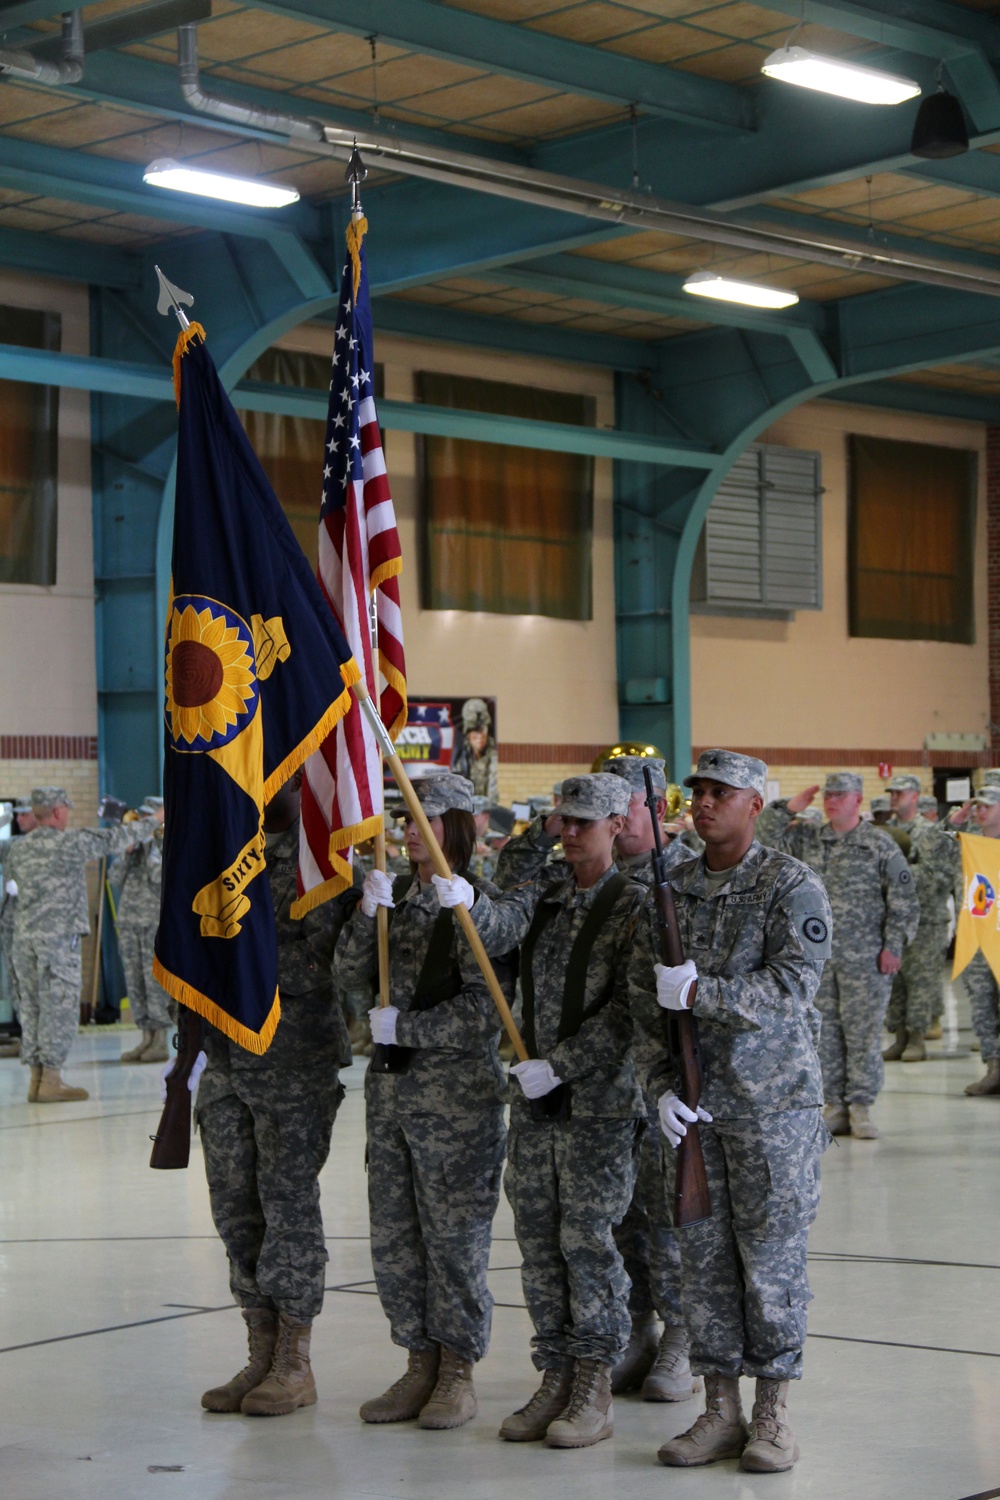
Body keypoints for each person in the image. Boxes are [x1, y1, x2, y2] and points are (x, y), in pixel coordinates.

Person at [628, 749, 833, 1473]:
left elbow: (792, 988)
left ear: (756, 804)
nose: (705, 802)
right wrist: (658, 1087)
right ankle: (720, 1411)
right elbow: (642, 1007)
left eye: (723, 792)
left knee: (771, 1265)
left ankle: (772, 1415)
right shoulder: (670, 889)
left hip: (774, 1109)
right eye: (700, 791)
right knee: (701, 1266)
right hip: (696, 1111)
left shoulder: (790, 885)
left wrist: (702, 994)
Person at [435, 772, 646, 1450]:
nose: (572, 831)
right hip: (532, 1102)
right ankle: (553, 1371)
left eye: (586, 821)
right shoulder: (546, 889)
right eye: (565, 819)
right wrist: (466, 899)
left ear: (618, 824)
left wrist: (564, 1062)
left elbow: (631, 1011)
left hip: (598, 1104)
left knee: (588, 1243)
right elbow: (499, 929)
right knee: (538, 1245)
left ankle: (594, 1383)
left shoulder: (636, 904)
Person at [335, 772, 510, 1432]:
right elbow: (347, 976)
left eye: (426, 819)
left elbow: (485, 1010)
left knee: (454, 1241)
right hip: (391, 1101)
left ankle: (457, 1369)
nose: (410, 829)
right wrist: (363, 915)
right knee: (396, 1238)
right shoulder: (397, 897)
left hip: (456, 1106)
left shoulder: (479, 905)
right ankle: (417, 1361)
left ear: (462, 826)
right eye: (405, 818)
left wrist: (406, 1029)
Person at [198, 771, 353, 1417]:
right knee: (235, 1207)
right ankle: (259, 1348)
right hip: (225, 1053)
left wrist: (249, 965)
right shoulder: (228, 847)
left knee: (287, 1206)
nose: (264, 784)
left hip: (293, 1055)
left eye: (278, 771)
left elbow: (333, 964)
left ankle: (295, 1358)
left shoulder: (322, 858)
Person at [757, 772, 917, 1139]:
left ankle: (860, 1105)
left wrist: (894, 945)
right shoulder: (808, 838)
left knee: (862, 1034)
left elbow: (904, 901)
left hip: (867, 958)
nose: (832, 800)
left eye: (841, 795)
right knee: (824, 1033)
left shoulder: (880, 845)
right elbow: (763, 838)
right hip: (816, 959)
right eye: (829, 794)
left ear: (858, 800)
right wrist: (788, 808)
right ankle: (835, 1106)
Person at [6, 787, 160, 1103]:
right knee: (58, 1008)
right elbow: (116, 838)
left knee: (33, 1008)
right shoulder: (70, 843)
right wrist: (155, 820)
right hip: (58, 942)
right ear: (59, 812)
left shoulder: (17, 849)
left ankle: (36, 1080)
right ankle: (51, 1079)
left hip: (24, 941)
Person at [883, 775, 959, 1064]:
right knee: (895, 983)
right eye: (891, 792)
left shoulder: (929, 832)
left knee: (920, 982)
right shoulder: (886, 832)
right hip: (893, 921)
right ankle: (899, 1037)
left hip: (925, 922)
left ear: (914, 796)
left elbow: (937, 877)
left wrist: (897, 873)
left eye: (899, 793)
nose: (893, 797)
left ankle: (917, 1039)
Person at [112, 795, 173, 1064]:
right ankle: (145, 1036)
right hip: (128, 922)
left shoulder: (167, 845)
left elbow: (160, 879)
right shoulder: (133, 846)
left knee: (153, 981)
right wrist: (127, 852)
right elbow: (114, 879)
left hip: (153, 922)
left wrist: (151, 848)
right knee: (134, 981)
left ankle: (159, 1039)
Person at [957, 785, 1000, 1096]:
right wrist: (955, 822)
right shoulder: (968, 841)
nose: (980, 811)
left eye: (987, 805)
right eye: (977, 806)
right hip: (978, 935)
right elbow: (933, 854)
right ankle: (994, 1067)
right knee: (983, 1005)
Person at [0, 800, 35, 1058]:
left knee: (33, 985)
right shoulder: (12, 845)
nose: (19, 820)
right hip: (10, 924)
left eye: (24, 815)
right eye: (17, 816)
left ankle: (36, 1042)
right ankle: (26, 1037)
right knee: (16, 984)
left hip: (35, 928)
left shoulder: (51, 845)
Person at [450, 698, 499, 802]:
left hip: (487, 810)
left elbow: (494, 792)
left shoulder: (493, 755)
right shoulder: (461, 754)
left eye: (483, 732)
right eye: (475, 733)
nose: (480, 737)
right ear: (468, 734)